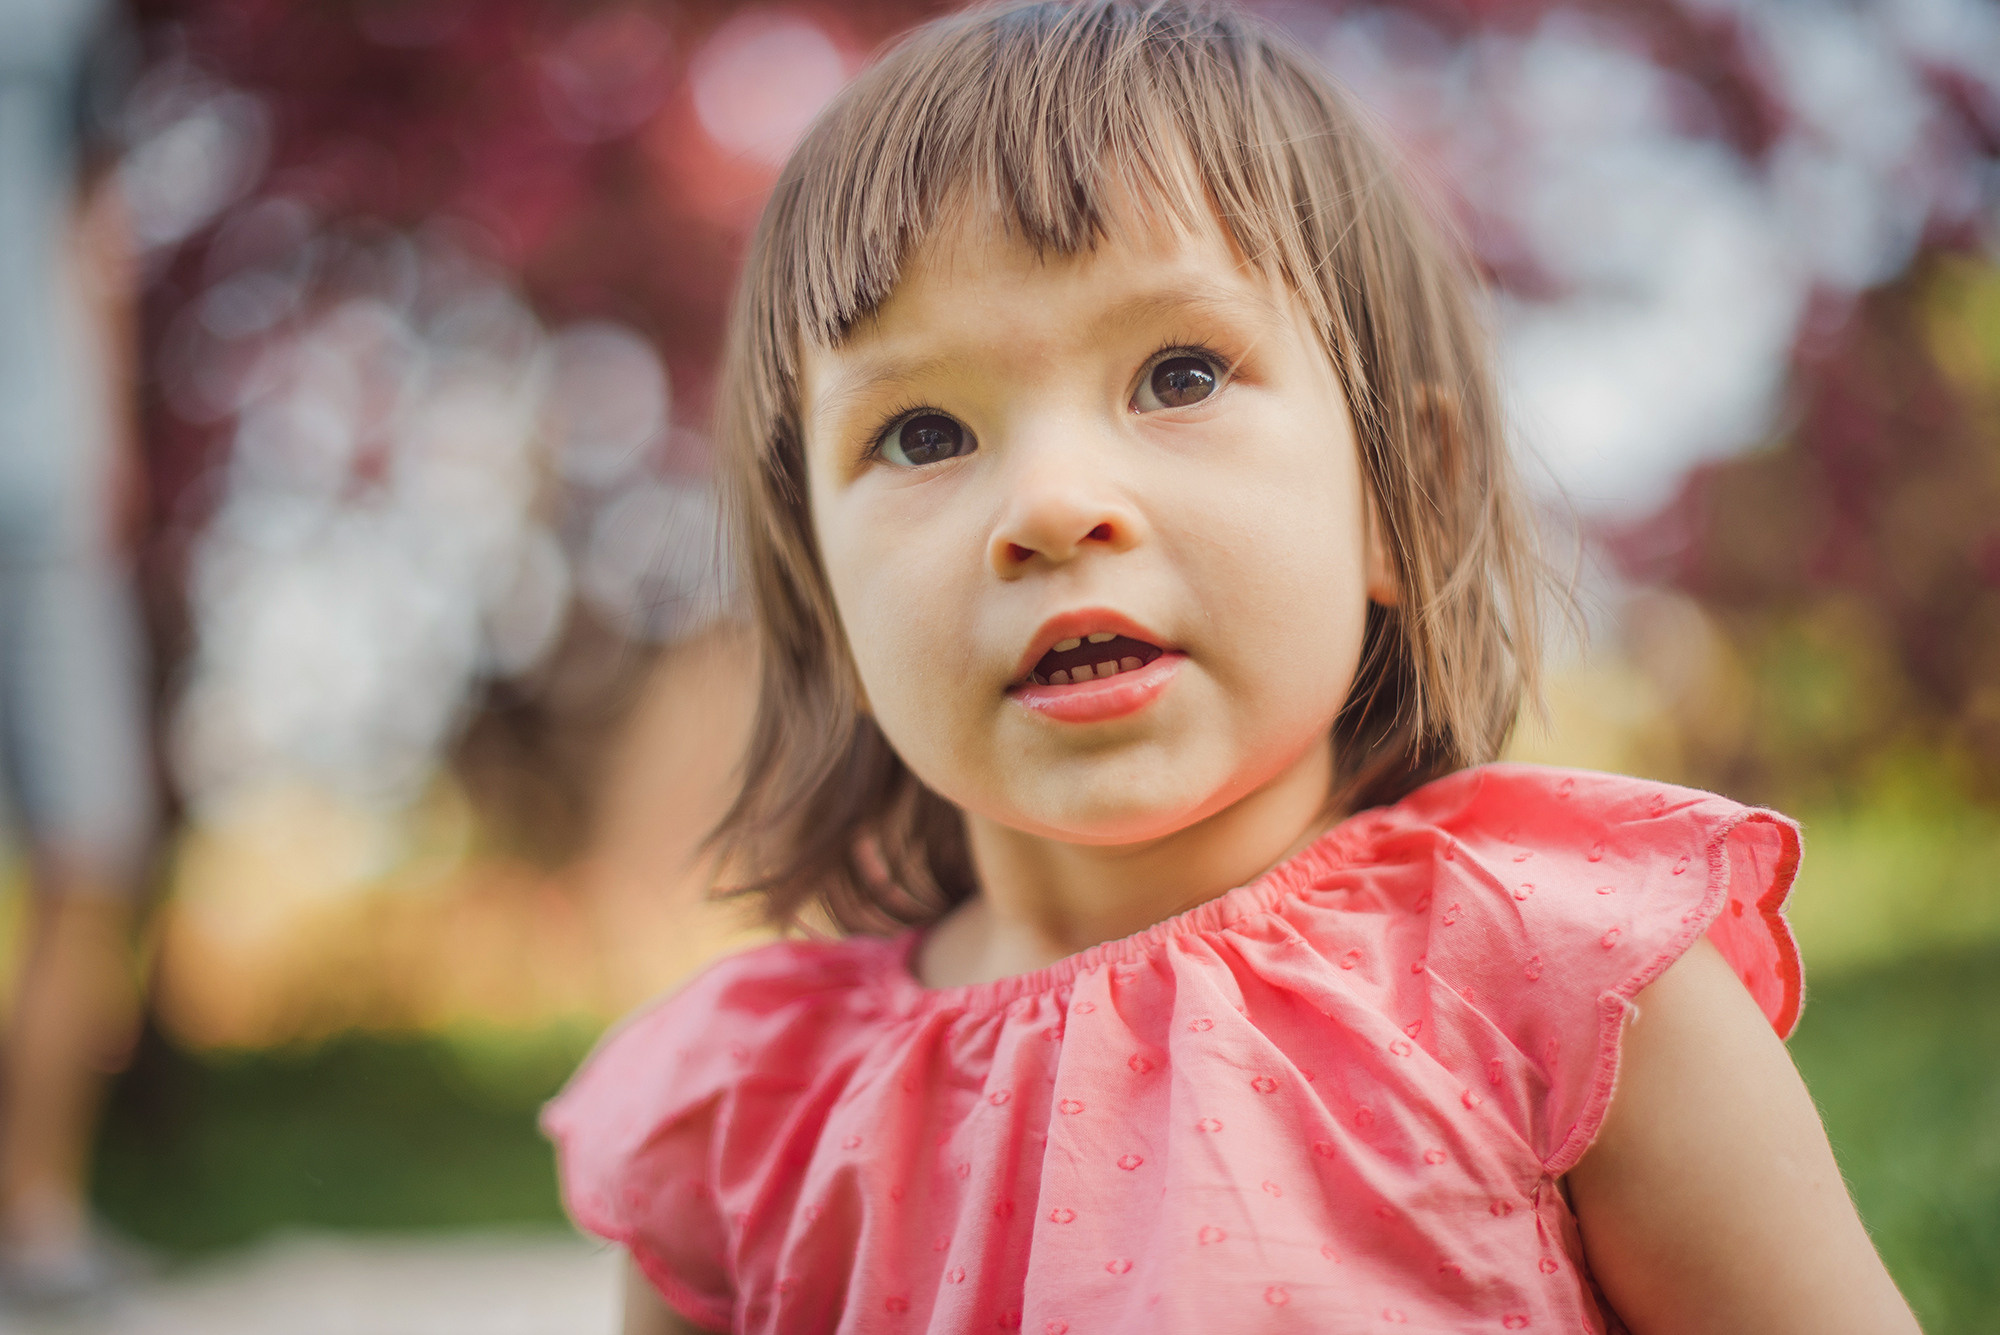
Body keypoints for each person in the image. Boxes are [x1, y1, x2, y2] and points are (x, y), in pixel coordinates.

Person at [543, 3, 1919, 1331]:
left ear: (1405, 500)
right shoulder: (742, 1123)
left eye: (1181, 374)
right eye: (920, 434)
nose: (1051, 504)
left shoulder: (1567, 984)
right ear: (824, 592)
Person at [0, 0, 153, 1307]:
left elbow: (90, 220)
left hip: (44, 493)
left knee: (92, 847)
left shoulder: (70, 17)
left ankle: (35, 1221)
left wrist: (111, 444)